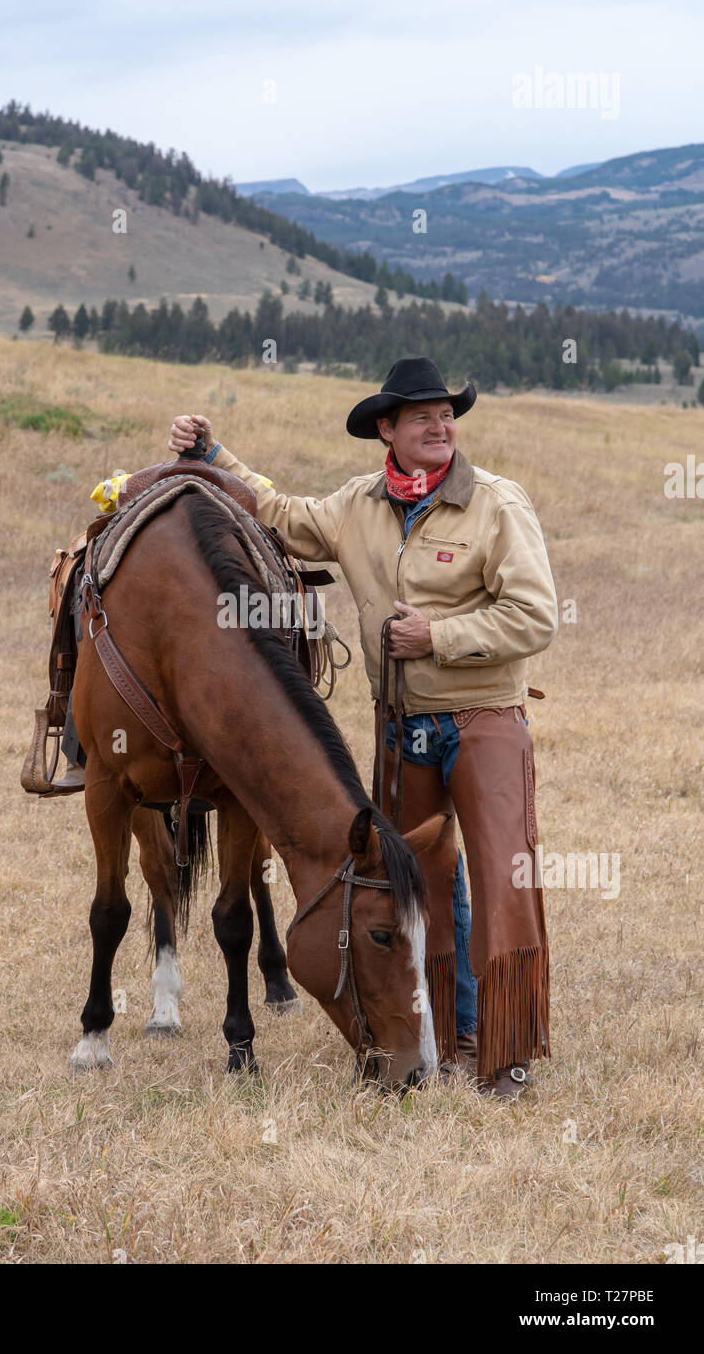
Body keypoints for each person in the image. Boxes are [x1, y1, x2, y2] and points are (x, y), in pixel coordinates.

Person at [168, 356, 558, 1099]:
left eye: (446, 415)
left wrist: (437, 637)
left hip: (483, 720)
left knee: (505, 879)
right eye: (421, 417)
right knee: (415, 886)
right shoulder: (357, 505)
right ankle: (447, 1037)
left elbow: (535, 616)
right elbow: (279, 513)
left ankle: (504, 1058)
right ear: (387, 430)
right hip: (401, 728)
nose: (439, 426)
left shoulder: (497, 505)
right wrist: (214, 456)